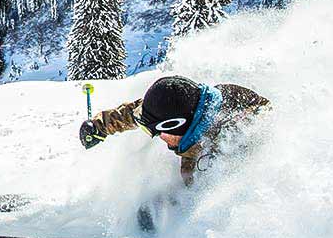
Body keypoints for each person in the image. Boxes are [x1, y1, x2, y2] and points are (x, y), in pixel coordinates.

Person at [79, 75, 269, 187]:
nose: (156, 137)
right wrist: (99, 126)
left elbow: (213, 195)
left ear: (175, 125)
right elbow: (134, 113)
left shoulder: (233, 136)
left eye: (156, 131)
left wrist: (174, 209)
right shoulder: (182, 103)